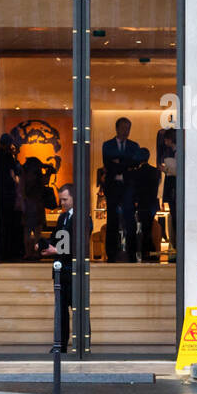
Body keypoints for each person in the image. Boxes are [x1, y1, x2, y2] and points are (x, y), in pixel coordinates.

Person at [42, 184, 90, 350]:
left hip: (75, 271)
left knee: (78, 310)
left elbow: (80, 245)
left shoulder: (84, 218)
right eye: (61, 199)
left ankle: (83, 346)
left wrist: (57, 250)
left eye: (65, 199)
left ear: (74, 198)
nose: (62, 202)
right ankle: (60, 345)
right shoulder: (62, 218)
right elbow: (56, 240)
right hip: (60, 272)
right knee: (61, 311)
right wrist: (46, 247)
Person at [101, 117, 143, 261]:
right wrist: (126, 163)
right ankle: (111, 253)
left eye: (128, 128)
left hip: (128, 187)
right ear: (117, 128)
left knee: (130, 220)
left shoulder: (134, 146)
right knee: (112, 219)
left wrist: (119, 162)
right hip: (112, 187)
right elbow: (108, 163)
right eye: (124, 128)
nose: (126, 131)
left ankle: (131, 253)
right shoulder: (107, 145)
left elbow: (135, 164)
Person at [0, 132, 22, 261]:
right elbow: (14, 175)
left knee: (4, 225)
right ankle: (11, 252)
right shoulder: (6, 157)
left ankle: (6, 252)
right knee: (10, 225)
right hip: (8, 194)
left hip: (2, 194)